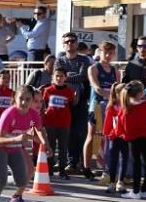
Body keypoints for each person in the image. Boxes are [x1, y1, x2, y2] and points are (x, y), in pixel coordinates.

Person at [0, 85, 47, 202]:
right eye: (21, 99)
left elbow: (39, 131)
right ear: (15, 99)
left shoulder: (34, 114)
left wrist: (44, 144)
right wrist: (17, 138)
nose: (24, 102)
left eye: (28, 99)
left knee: (22, 179)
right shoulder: (8, 114)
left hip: (15, 146)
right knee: (2, 179)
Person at [55, 32, 93, 174]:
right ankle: (70, 162)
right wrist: (69, 76)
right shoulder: (60, 60)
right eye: (67, 42)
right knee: (68, 133)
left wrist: (67, 76)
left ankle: (83, 163)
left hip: (81, 101)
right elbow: (58, 76)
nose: (70, 43)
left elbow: (83, 77)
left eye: (72, 41)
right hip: (64, 101)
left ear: (76, 43)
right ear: (63, 45)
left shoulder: (84, 60)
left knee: (81, 133)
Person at [84, 41, 120, 180]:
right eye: (105, 52)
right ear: (99, 52)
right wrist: (110, 95)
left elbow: (118, 90)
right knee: (91, 136)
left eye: (111, 53)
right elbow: (97, 88)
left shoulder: (115, 71)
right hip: (96, 106)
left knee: (108, 137)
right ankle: (86, 167)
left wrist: (114, 99)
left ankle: (106, 166)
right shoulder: (93, 68)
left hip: (110, 108)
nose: (108, 55)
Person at [42, 67, 76, 180]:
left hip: (64, 124)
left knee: (63, 148)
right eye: (57, 76)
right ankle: (49, 169)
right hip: (50, 123)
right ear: (53, 77)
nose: (59, 78)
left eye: (61, 76)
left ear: (65, 77)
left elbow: (70, 107)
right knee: (50, 146)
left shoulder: (69, 91)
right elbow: (45, 106)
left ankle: (62, 170)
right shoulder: (48, 90)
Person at [102, 83, 129, 195]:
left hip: (125, 137)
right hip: (114, 137)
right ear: (117, 94)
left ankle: (120, 182)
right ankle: (112, 182)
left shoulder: (128, 107)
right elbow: (107, 124)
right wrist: (108, 134)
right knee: (113, 160)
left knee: (124, 159)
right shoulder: (112, 108)